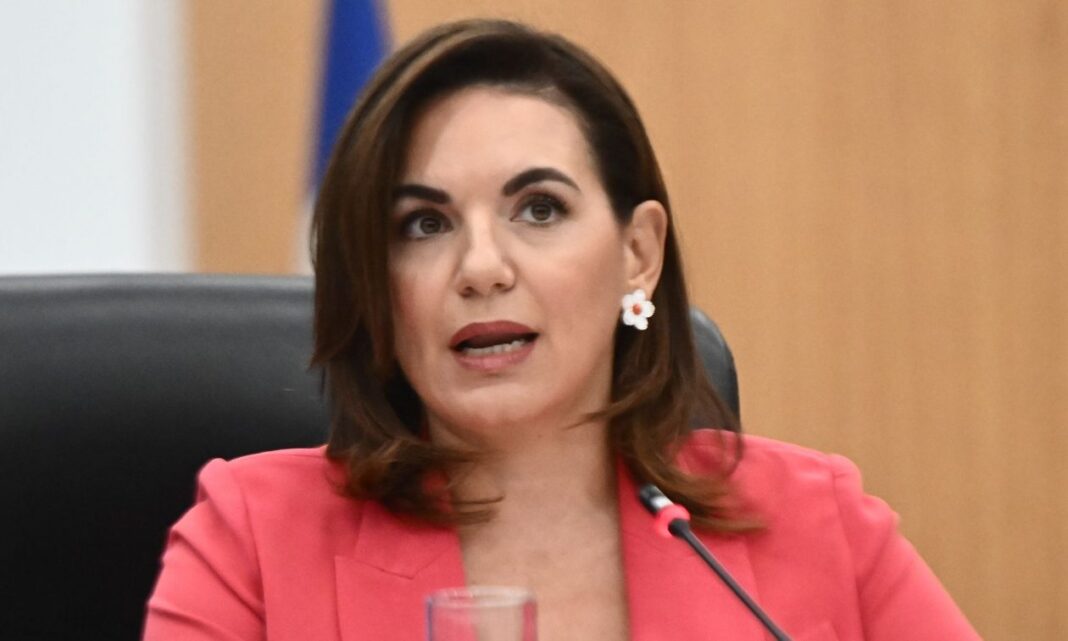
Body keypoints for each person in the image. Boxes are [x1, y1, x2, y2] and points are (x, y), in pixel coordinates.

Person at [143, 19, 980, 641]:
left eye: (538, 209)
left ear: (637, 254)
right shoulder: (253, 541)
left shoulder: (819, 524)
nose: (481, 267)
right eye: (425, 224)